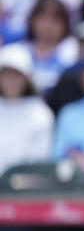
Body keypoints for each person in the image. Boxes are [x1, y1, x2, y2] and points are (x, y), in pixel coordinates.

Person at [0, 43, 54, 175]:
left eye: (16, 75)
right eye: (6, 75)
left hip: (22, 189)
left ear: (27, 79)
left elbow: (38, 161)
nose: (10, 81)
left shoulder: (41, 114)